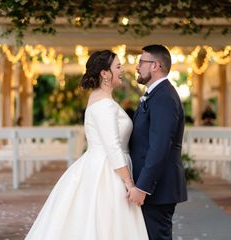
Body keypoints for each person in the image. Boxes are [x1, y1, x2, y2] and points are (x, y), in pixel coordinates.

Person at [25, 50, 148, 240]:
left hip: (105, 165)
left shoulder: (101, 99)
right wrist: (130, 184)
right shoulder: (104, 104)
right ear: (104, 73)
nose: (122, 69)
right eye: (117, 66)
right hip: (108, 171)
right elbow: (113, 146)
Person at [129, 44, 188, 240]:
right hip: (155, 187)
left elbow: (160, 146)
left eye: (141, 62)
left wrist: (143, 187)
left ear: (155, 66)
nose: (137, 67)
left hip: (157, 189)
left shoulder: (164, 97)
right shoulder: (155, 95)